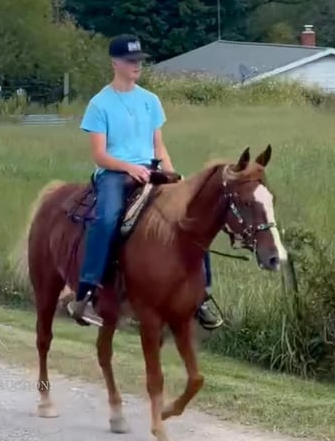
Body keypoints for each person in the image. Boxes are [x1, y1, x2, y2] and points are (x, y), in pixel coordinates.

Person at [66, 34, 224, 330]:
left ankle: (201, 297)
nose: (137, 66)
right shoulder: (100, 104)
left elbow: (158, 146)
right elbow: (100, 155)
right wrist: (128, 168)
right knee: (108, 218)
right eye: (130, 61)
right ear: (115, 63)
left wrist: (176, 178)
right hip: (114, 174)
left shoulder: (150, 101)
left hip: (152, 170)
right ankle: (85, 293)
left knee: (191, 213)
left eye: (139, 60)